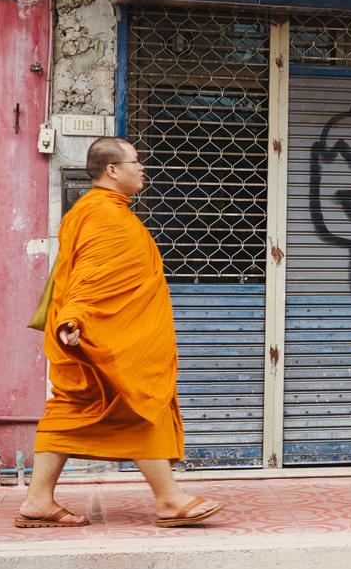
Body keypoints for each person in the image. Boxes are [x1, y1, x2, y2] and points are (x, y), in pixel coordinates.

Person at [14, 137, 223, 529]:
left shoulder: (98, 211)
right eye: (135, 161)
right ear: (112, 170)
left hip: (106, 335)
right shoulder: (104, 215)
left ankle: (39, 500)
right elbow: (89, 277)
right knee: (140, 404)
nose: (142, 168)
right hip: (101, 339)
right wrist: (73, 319)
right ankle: (169, 499)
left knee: (75, 411)